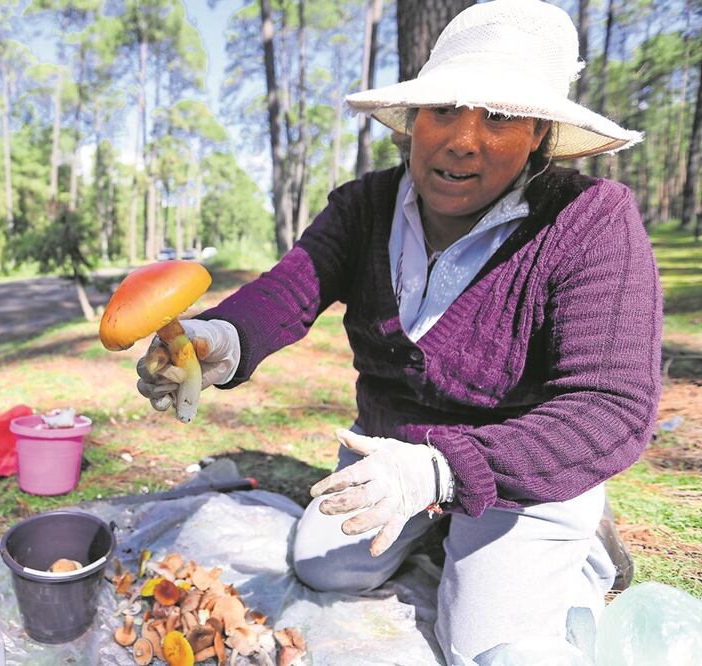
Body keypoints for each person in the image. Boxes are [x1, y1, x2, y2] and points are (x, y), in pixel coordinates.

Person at [134, 0, 661, 662]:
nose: (462, 140)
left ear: (538, 133)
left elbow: (610, 407)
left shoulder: (589, 220)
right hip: (390, 454)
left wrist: (445, 472)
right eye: (444, 108)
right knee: (326, 566)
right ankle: (445, 530)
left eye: (498, 117)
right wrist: (223, 340)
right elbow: (291, 288)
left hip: (523, 467)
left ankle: (578, 544)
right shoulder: (365, 205)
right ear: (413, 120)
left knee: (489, 646)